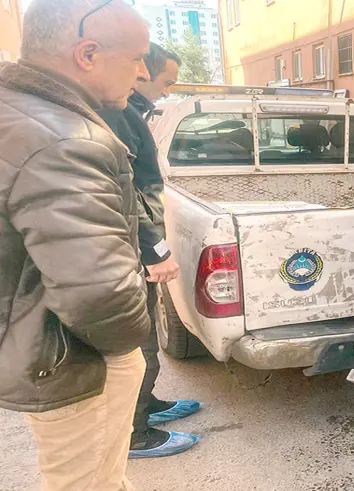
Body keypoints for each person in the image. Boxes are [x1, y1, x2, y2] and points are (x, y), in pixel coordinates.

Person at [0, 0, 153, 489]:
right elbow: (99, 293)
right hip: (78, 363)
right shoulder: (65, 139)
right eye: (137, 58)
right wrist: (130, 345)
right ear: (87, 54)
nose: (143, 73)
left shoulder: (18, 113)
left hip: (40, 346)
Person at [98, 42, 201, 459]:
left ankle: (148, 405)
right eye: (166, 81)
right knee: (138, 349)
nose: (166, 90)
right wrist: (155, 250)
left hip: (135, 248)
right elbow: (125, 195)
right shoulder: (116, 116)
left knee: (146, 346)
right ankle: (136, 435)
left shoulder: (128, 113)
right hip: (130, 252)